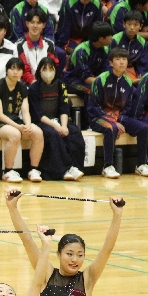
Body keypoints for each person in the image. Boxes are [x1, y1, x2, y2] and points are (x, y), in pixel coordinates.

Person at [87, 48, 148, 177]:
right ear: (111, 63)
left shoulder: (127, 82)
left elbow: (128, 107)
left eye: (124, 59)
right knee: (111, 128)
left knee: (143, 128)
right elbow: (93, 106)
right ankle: (107, 166)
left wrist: (119, 118)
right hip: (98, 117)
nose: (121, 62)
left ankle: (141, 164)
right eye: (118, 59)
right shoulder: (100, 80)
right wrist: (112, 120)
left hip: (119, 117)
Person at [0, 56, 45, 182]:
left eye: (19, 69)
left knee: (38, 132)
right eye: (12, 69)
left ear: (23, 72)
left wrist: (27, 125)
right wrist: (18, 127)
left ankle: (33, 169)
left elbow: (25, 111)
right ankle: (8, 171)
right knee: (15, 134)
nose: (15, 72)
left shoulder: (22, 88)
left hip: (14, 121)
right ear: (7, 70)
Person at [29, 57, 86, 179]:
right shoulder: (34, 88)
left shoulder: (61, 85)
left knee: (74, 132)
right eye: (45, 69)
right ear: (40, 71)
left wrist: (64, 126)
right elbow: (38, 114)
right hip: (41, 122)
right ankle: (65, 169)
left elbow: (64, 107)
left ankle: (76, 167)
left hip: (59, 120)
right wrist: (56, 126)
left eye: (51, 68)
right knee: (53, 134)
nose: (48, 71)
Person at [18, 8, 67, 83]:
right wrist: (33, 82)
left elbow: (53, 66)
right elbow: (23, 69)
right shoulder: (19, 45)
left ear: (44, 25)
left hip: (46, 83)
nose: (35, 26)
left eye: (39, 23)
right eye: (32, 22)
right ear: (27, 24)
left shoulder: (49, 44)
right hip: (26, 85)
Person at [66, 21, 113, 98]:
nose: (112, 37)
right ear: (101, 38)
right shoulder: (81, 51)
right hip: (74, 81)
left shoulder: (106, 49)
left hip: (95, 80)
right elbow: (86, 77)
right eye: (110, 35)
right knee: (92, 92)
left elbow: (107, 70)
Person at [112, 11, 147, 79]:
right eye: (129, 24)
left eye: (136, 25)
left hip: (132, 71)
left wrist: (141, 75)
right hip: (116, 70)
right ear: (124, 24)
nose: (132, 28)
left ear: (141, 26)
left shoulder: (143, 43)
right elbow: (110, 61)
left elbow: (142, 63)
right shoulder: (115, 40)